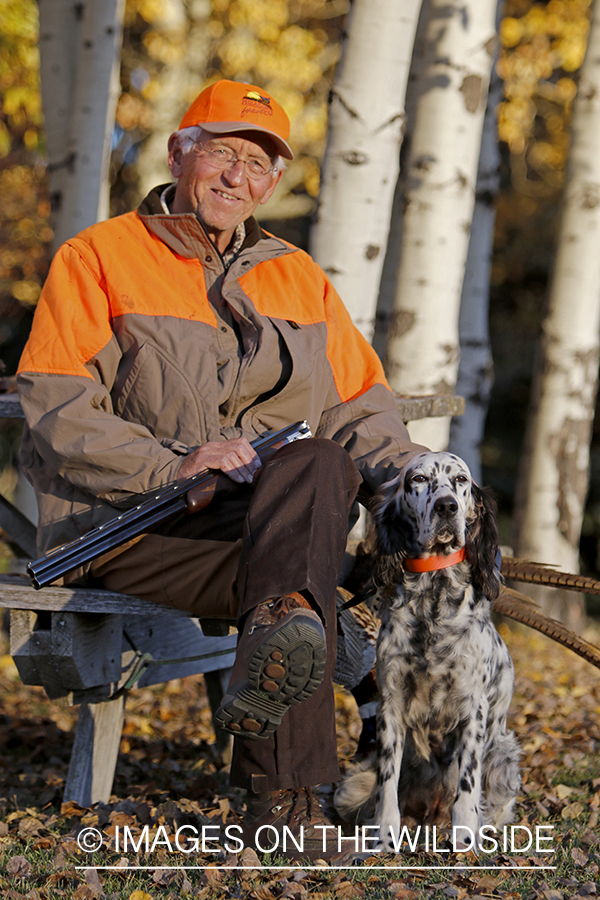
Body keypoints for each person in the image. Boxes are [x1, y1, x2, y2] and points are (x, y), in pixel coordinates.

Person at [17, 80, 424, 861]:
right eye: (226, 153)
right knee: (300, 585)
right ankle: (287, 803)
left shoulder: (297, 277)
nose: (241, 177)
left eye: (261, 164)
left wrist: (422, 488)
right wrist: (176, 461)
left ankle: (279, 800)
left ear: (275, 182)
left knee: (310, 477)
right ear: (179, 152)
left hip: (254, 523)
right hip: (126, 523)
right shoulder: (96, 257)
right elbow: (56, 409)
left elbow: (362, 407)